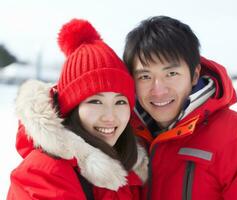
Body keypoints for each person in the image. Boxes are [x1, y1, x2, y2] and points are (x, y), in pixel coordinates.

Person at [123, 15, 237, 200]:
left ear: (194, 74)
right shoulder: (124, 136)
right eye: (145, 77)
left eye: (171, 73)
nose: (158, 90)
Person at [7, 19, 148, 200]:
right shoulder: (42, 174)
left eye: (120, 102)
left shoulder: (129, 169)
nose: (110, 116)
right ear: (72, 108)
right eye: (96, 101)